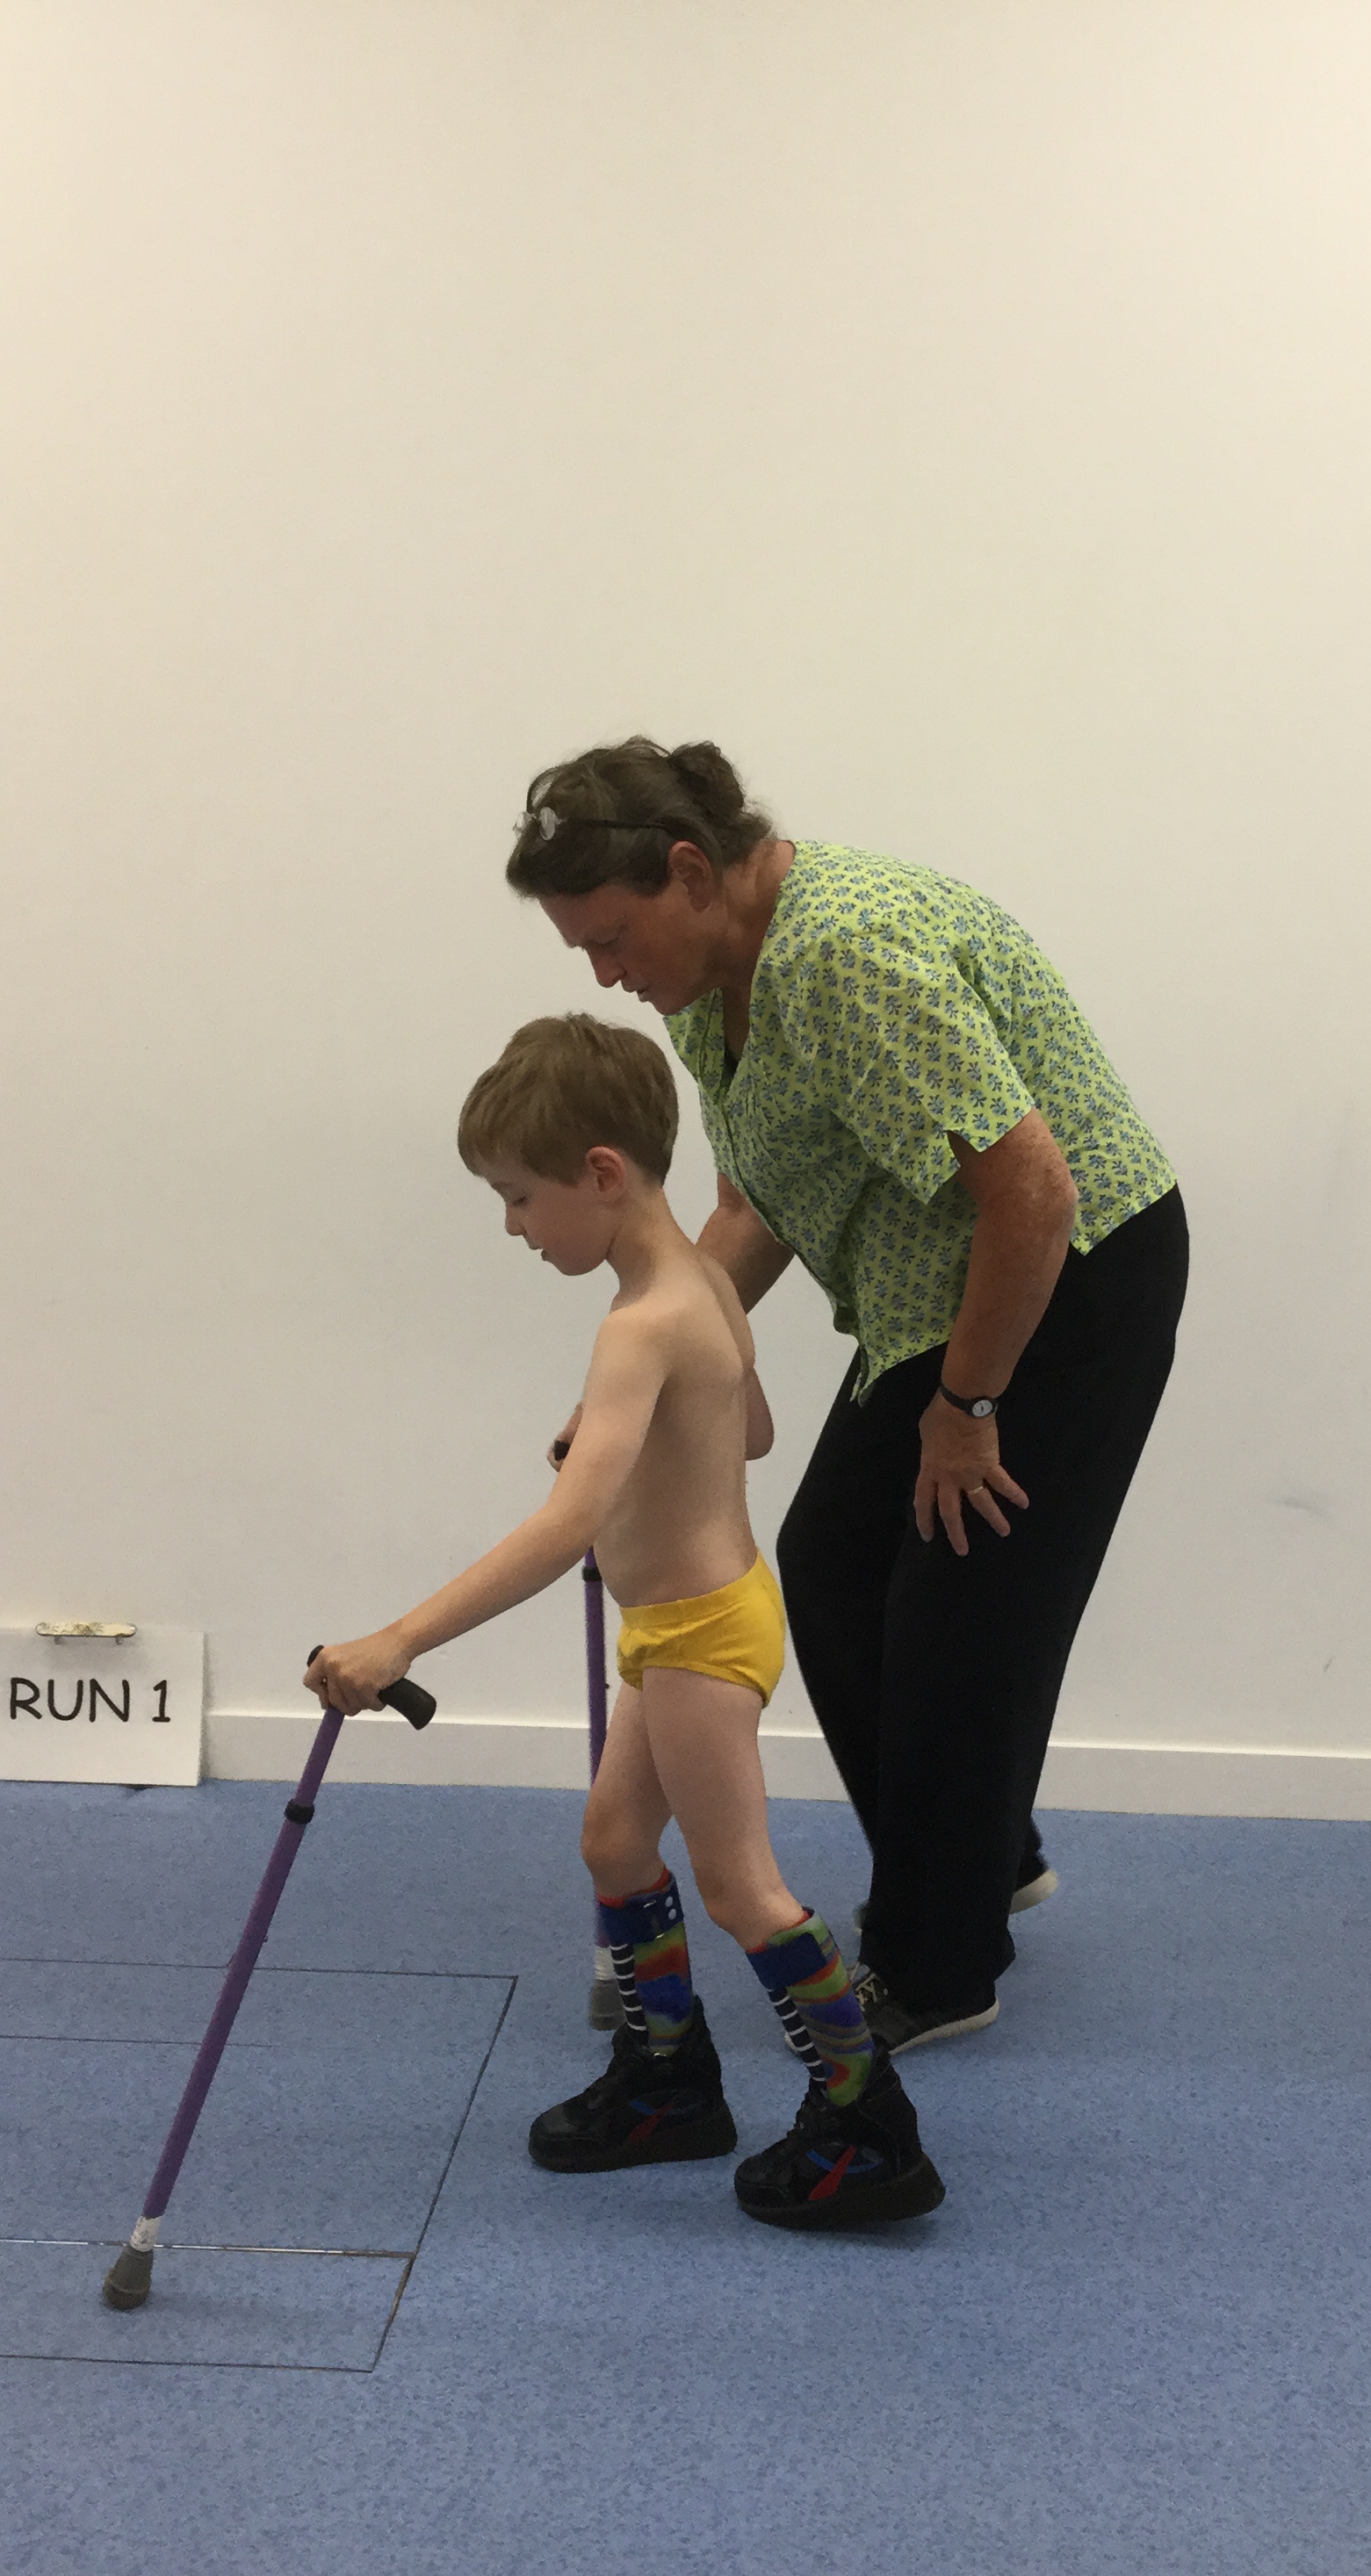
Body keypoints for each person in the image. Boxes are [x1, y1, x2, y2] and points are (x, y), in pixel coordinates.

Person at [506, 740, 1188, 2054]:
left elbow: (1034, 1194)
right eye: (582, 949)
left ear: (689, 870)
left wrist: (968, 1409)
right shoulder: (710, 987)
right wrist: (642, 1382)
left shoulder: (847, 954)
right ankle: (979, 1852)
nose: (603, 973)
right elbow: (760, 1202)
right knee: (829, 1568)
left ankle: (939, 1964)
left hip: (1071, 1278)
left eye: (610, 937)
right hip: (944, 1283)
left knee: (956, 1616)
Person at [305, 1012, 945, 2230]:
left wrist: (399, 1642)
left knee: (742, 1888)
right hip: (687, 1621)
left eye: (519, 1196)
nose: (513, 1225)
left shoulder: (638, 1324)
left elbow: (563, 1530)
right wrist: (640, 1433)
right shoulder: (698, 1284)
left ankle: (869, 2123)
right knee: (613, 1843)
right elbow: (751, 1430)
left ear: (601, 1174)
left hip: (699, 1636)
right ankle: (668, 2081)